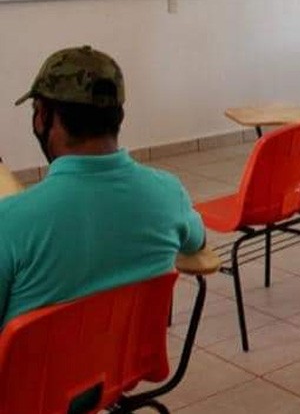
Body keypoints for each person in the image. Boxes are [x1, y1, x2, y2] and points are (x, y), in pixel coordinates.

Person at [0, 46, 206, 327]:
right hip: (123, 367)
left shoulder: (10, 220)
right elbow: (197, 242)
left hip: (33, 372)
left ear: (44, 117)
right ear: (119, 116)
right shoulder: (170, 194)